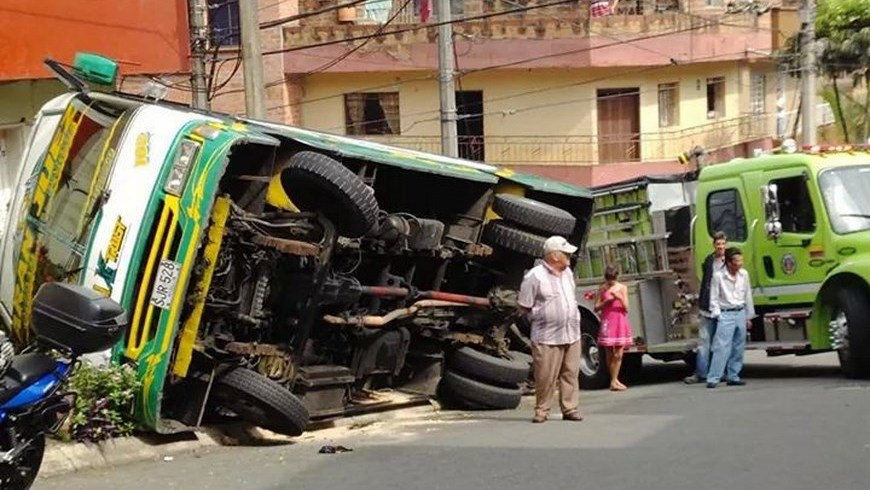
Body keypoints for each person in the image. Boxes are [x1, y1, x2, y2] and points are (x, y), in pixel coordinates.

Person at [517, 235, 584, 424]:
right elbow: (524, 305)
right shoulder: (534, 276)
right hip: (547, 336)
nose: (570, 256)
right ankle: (542, 410)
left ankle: (570, 408)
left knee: (570, 373)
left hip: (571, 332)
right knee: (545, 376)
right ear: (554, 256)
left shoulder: (568, 273)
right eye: (566, 253)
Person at [706, 247, 755, 389]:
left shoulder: (744, 275)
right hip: (726, 313)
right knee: (721, 347)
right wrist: (718, 315)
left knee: (738, 346)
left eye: (741, 260)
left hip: (740, 312)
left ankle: (733, 375)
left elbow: (747, 295)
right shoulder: (719, 276)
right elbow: (714, 298)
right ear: (728, 262)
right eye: (736, 261)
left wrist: (749, 316)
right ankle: (713, 377)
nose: (739, 264)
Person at [685, 232, 728, 384]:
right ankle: (701, 373)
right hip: (707, 307)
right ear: (714, 245)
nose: (720, 247)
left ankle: (721, 372)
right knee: (704, 342)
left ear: (726, 245)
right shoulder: (709, 261)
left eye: (723, 244)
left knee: (721, 342)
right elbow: (706, 283)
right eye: (718, 244)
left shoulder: (729, 262)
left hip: (723, 307)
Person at [595, 265, 633, 391]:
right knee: (609, 352)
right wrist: (606, 302)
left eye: (612, 279)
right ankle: (613, 379)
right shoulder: (602, 288)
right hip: (607, 320)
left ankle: (615, 379)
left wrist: (619, 298)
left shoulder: (622, 288)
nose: (610, 282)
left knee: (618, 352)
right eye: (608, 279)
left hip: (619, 320)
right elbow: (596, 307)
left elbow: (626, 308)